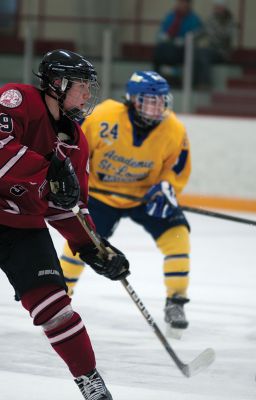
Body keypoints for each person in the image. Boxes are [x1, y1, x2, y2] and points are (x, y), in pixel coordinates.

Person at [0, 48, 130, 400]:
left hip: (21, 228)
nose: (88, 95)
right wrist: (45, 169)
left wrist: (92, 246)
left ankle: (90, 382)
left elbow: (68, 207)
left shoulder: (76, 143)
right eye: (82, 86)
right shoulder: (17, 99)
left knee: (55, 307)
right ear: (57, 84)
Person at [60, 71, 192, 338]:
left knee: (177, 235)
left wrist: (168, 186)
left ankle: (176, 302)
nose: (156, 108)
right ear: (132, 99)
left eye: (160, 101)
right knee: (80, 244)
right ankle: (60, 299)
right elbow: (77, 147)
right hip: (101, 196)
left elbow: (177, 166)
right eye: (148, 101)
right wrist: (72, 181)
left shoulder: (174, 129)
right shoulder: (104, 116)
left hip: (146, 198)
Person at [153, 0, 203, 80]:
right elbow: (162, 29)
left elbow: (197, 32)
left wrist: (184, 40)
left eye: (184, 3)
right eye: (180, 2)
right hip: (170, 44)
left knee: (173, 51)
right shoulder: (171, 16)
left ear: (188, 4)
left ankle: (174, 74)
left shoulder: (193, 18)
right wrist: (163, 36)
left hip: (184, 47)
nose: (181, 5)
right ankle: (156, 79)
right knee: (159, 50)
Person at [194, 0, 237, 89]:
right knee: (197, 52)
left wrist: (213, 32)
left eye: (219, 7)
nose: (216, 9)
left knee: (204, 54)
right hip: (211, 50)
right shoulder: (211, 19)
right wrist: (189, 37)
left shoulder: (229, 20)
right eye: (216, 7)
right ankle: (194, 82)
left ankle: (205, 83)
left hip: (222, 52)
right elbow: (201, 32)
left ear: (224, 8)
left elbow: (225, 37)